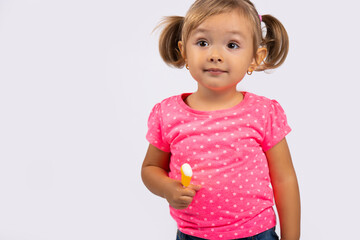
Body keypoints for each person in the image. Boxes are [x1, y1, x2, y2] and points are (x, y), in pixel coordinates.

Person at [141, 0, 301, 239]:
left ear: (255, 57)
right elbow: (150, 168)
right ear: (184, 51)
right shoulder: (168, 113)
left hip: (256, 233)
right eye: (203, 43)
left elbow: (285, 179)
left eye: (232, 45)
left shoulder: (263, 112)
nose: (215, 55)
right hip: (192, 235)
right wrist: (166, 188)